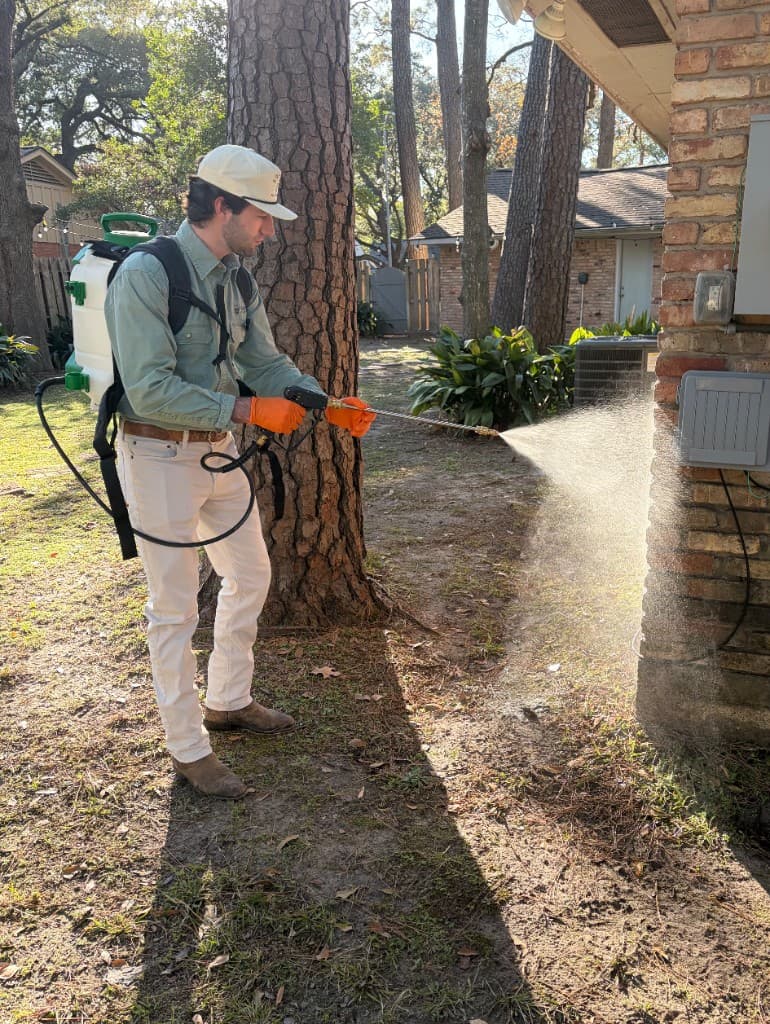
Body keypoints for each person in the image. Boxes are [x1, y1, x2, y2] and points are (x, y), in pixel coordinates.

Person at [105, 144, 375, 799]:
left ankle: (227, 700)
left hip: (217, 452)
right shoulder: (146, 273)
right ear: (222, 205)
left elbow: (266, 361)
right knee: (172, 610)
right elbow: (146, 389)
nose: (269, 230)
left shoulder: (237, 280)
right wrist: (249, 408)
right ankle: (189, 749)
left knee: (250, 574)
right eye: (261, 216)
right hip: (158, 455)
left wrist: (322, 400)